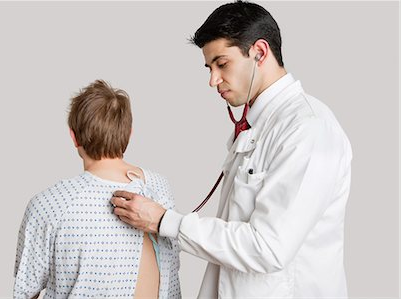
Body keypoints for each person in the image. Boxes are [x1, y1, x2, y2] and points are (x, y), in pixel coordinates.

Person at [111, 1, 352, 298]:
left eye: (222, 64)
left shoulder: (308, 129)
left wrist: (165, 221)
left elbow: (268, 248)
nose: (213, 80)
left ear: (260, 52)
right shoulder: (261, 125)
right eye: (209, 68)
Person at [13, 80, 181, 299]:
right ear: (129, 133)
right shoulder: (159, 187)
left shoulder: (50, 203)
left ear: (74, 136)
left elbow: (26, 290)